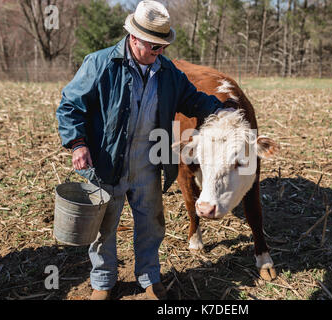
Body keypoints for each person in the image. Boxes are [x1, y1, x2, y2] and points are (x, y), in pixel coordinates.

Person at [56, 0, 236, 300]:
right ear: (134, 37)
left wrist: (221, 108)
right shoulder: (100, 64)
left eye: (163, 46)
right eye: (154, 46)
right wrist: (77, 143)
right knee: (104, 227)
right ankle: (103, 281)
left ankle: (149, 278)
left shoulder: (168, 72)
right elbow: (70, 106)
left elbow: (193, 101)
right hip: (106, 161)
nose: (160, 52)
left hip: (150, 162)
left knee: (151, 225)